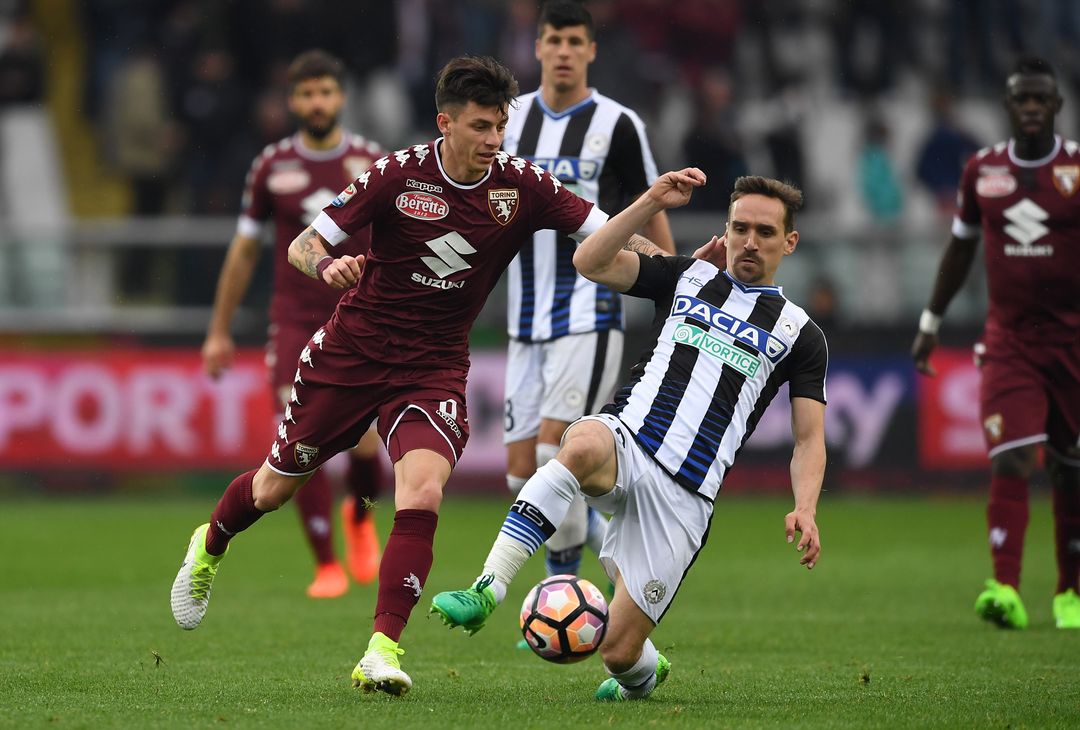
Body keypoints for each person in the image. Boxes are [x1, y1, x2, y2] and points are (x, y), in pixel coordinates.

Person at [171, 55, 637, 697]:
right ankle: (210, 543)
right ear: (444, 122)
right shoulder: (395, 175)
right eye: (480, 126)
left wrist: (679, 269)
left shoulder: (522, 185)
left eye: (501, 126)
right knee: (274, 490)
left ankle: (381, 650)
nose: (493, 140)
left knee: (421, 492)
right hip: (354, 352)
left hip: (434, 365)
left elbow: (606, 232)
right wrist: (326, 268)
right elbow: (303, 246)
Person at [431, 170, 828, 701]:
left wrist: (805, 507)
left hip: (687, 494)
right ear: (726, 230)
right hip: (628, 441)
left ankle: (642, 674)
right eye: (740, 228)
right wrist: (649, 202)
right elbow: (589, 261)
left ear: (790, 242)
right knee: (581, 444)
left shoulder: (801, 333)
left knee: (618, 653)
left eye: (765, 232)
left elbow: (808, 438)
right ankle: (490, 586)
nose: (749, 242)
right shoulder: (687, 276)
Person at [501, 0, 674, 615]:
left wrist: (669, 295)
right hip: (523, 316)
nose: (566, 51)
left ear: (592, 50)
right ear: (538, 46)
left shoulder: (617, 123)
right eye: (556, 40)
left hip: (590, 308)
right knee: (522, 475)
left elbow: (650, 206)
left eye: (577, 41)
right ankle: (601, 534)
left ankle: (563, 591)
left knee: (555, 451)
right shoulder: (509, 120)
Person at [201, 49, 384, 600]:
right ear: (292, 100)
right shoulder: (270, 166)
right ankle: (326, 564)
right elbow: (244, 250)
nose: (317, 102)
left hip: (360, 317)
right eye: (306, 93)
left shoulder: (373, 160)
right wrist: (219, 329)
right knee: (296, 439)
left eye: (325, 92)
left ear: (341, 97)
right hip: (293, 321)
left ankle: (359, 513)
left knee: (366, 448)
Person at [911, 56, 1080, 630]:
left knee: (1070, 468)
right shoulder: (982, 171)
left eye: (1041, 99)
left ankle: (1070, 593)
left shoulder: (1078, 169)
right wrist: (931, 321)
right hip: (1009, 342)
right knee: (1010, 456)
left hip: (1073, 342)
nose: (1031, 108)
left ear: (1055, 106)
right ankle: (1005, 587)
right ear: (1007, 107)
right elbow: (959, 250)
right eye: (1021, 99)